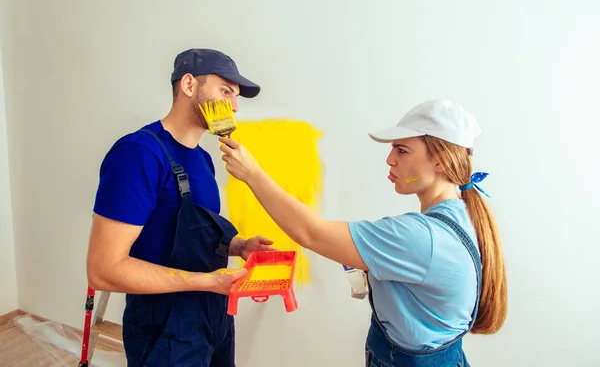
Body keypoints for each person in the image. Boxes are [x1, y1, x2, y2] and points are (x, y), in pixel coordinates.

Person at [219, 99, 508, 366]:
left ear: (441, 161)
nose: (390, 159)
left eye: (402, 150)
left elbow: (311, 233)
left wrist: (252, 174)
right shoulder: (464, 214)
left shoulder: (421, 236)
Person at [86, 48, 275, 367]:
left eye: (236, 96)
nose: (234, 106)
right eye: (226, 91)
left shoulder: (202, 159)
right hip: (165, 326)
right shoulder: (139, 154)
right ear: (189, 85)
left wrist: (239, 246)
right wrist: (208, 281)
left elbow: (183, 232)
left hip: (213, 314)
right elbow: (103, 269)